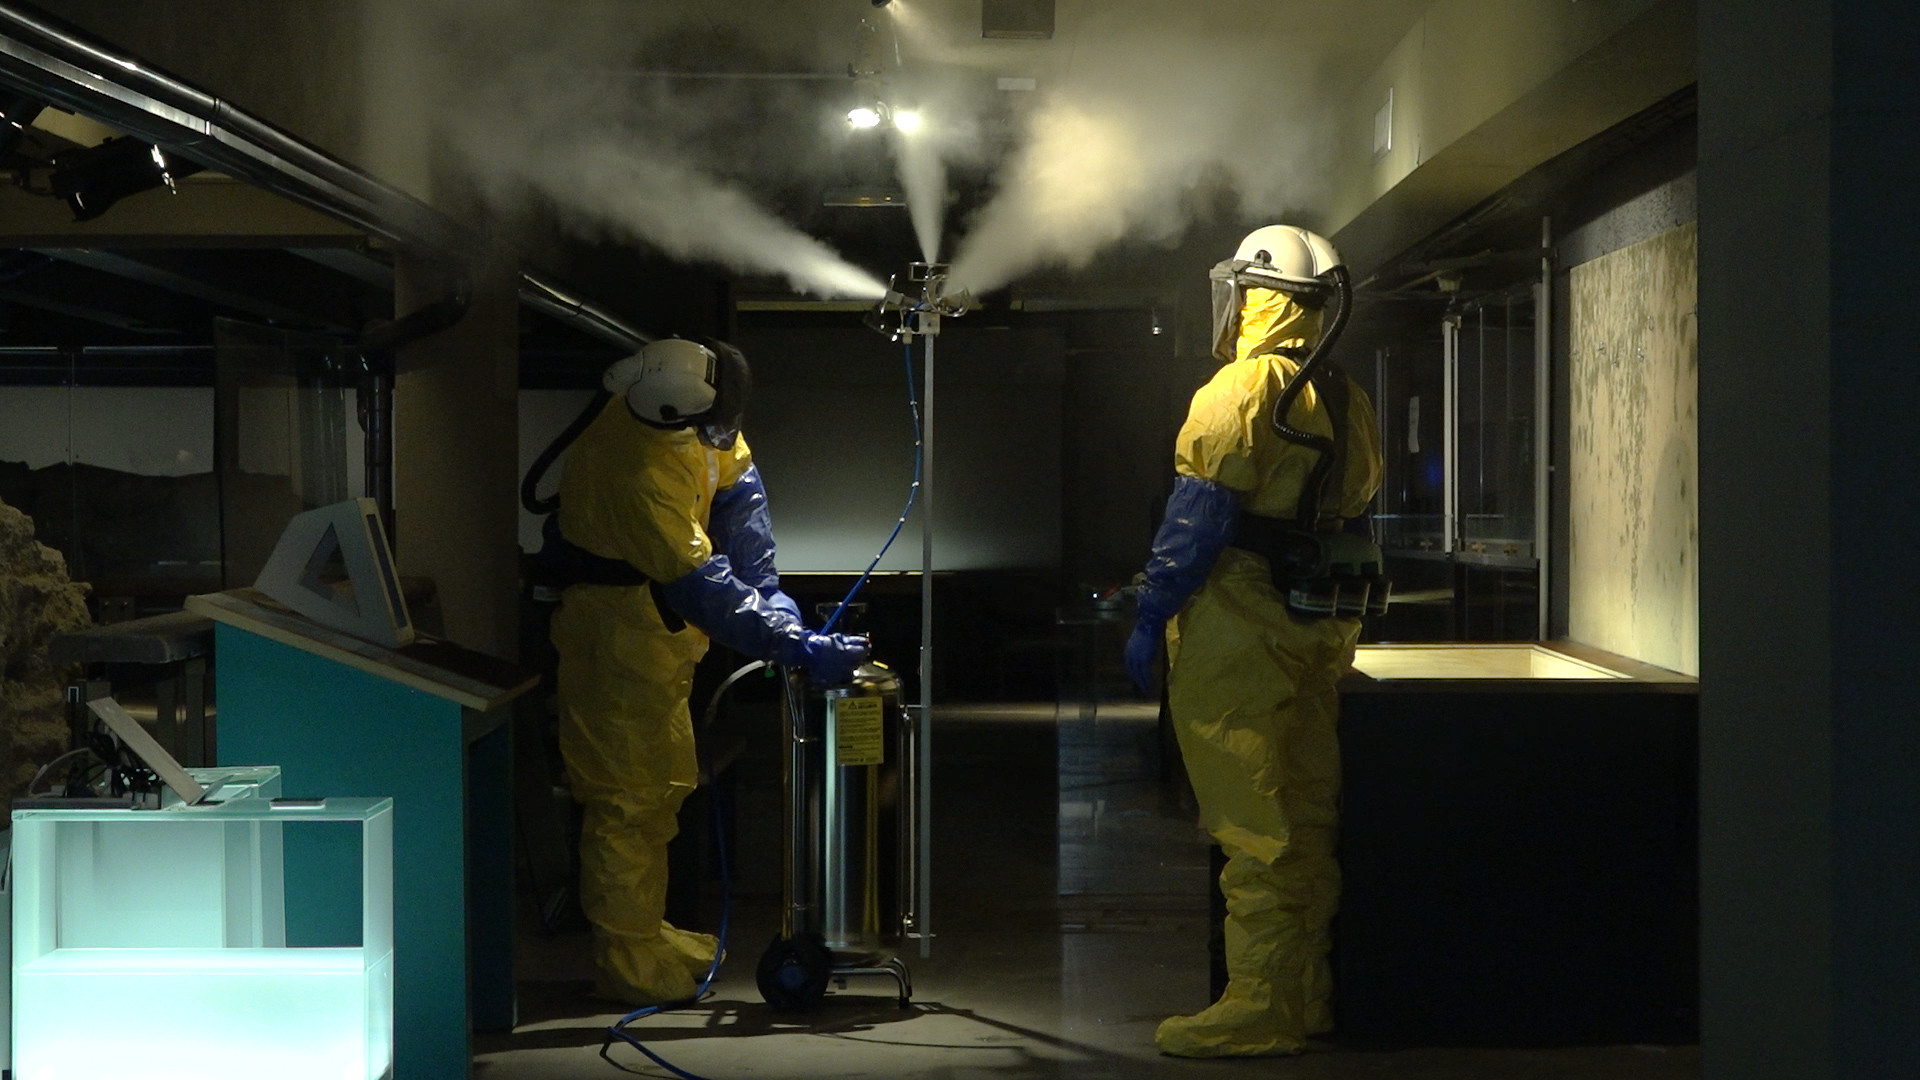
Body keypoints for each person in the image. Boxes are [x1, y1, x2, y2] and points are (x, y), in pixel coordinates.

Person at [1124, 225, 1385, 1057]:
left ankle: (1258, 1008)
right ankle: (1302, 993)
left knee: (1252, 827)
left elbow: (1193, 525)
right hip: (1316, 629)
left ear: (1251, 293)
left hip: (1238, 630)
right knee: (1304, 815)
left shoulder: (1237, 391)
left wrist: (1147, 612)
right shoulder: (1343, 393)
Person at [546, 337, 869, 1005]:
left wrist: (769, 585)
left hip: (657, 648)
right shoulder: (632, 470)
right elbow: (705, 588)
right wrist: (788, 640)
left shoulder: (687, 415)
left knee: (664, 789)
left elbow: (737, 494)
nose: (722, 431)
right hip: (616, 647)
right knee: (625, 803)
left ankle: (649, 927)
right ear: (675, 410)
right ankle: (625, 956)